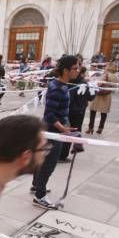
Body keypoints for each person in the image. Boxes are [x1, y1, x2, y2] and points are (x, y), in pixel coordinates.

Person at [31, 55, 79, 209]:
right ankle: (40, 196)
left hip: (53, 129)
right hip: (52, 131)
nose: (78, 71)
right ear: (65, 70)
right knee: (49, 164)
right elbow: (49, 114)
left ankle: (36, 186)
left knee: (42, 160)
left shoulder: (61, 85)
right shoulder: (57, 88)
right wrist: (62, 128)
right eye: (75, 68)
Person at [59, 65, 93, 162]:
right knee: (72, 131)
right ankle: (63, 155)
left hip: (69, 109)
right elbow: (90, 97)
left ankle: (70, 149)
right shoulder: (82, 83)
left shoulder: (69, 81)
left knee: (68, 130)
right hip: (77, 110)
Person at [87, 62, 116, 134]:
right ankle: (100, 128)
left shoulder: (105, 75)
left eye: (106, 66)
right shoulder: (115, 76)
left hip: (99, 95)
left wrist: (93, 81)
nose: (104, 67)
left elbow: (98, 84)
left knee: (93, 110)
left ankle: (91, 127)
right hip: (108, 95)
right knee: (104, 113)